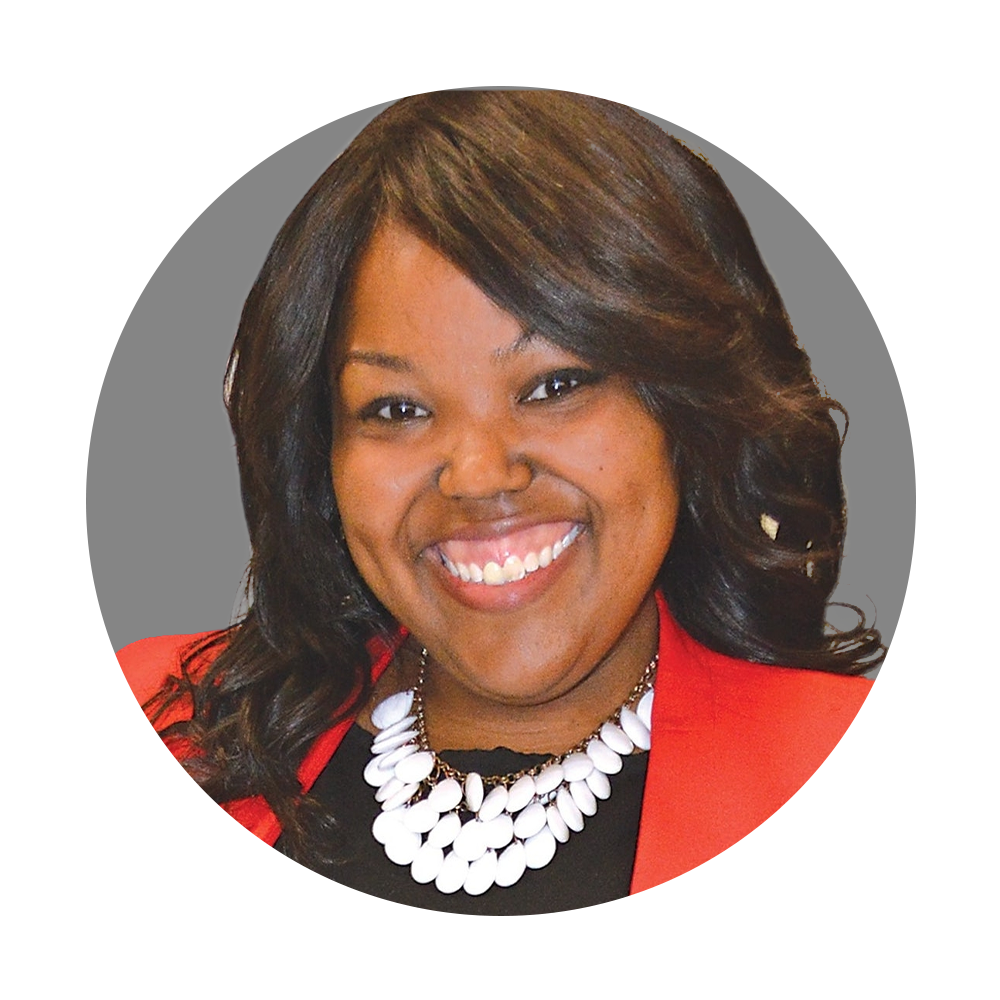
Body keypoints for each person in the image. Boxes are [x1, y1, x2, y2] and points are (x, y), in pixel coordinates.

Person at [86, 90, 914, 915]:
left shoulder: (912, 792)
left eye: (555, 385)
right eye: (396, 409)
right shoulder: (153, 731)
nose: (477, 475)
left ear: (685, 409)